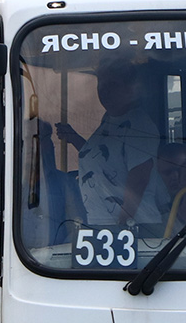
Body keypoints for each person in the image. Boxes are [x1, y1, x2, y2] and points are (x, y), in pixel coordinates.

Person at [56, 62, 162, 226]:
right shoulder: (109, 119)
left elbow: (139, 179)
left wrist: (123, 225)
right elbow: (102, 159)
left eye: (112, 85)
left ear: (131, 88)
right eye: (101, 84)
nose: (104, 91)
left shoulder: (138, 124)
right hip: (102, 223)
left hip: (134, 226)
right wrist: (73, 137)